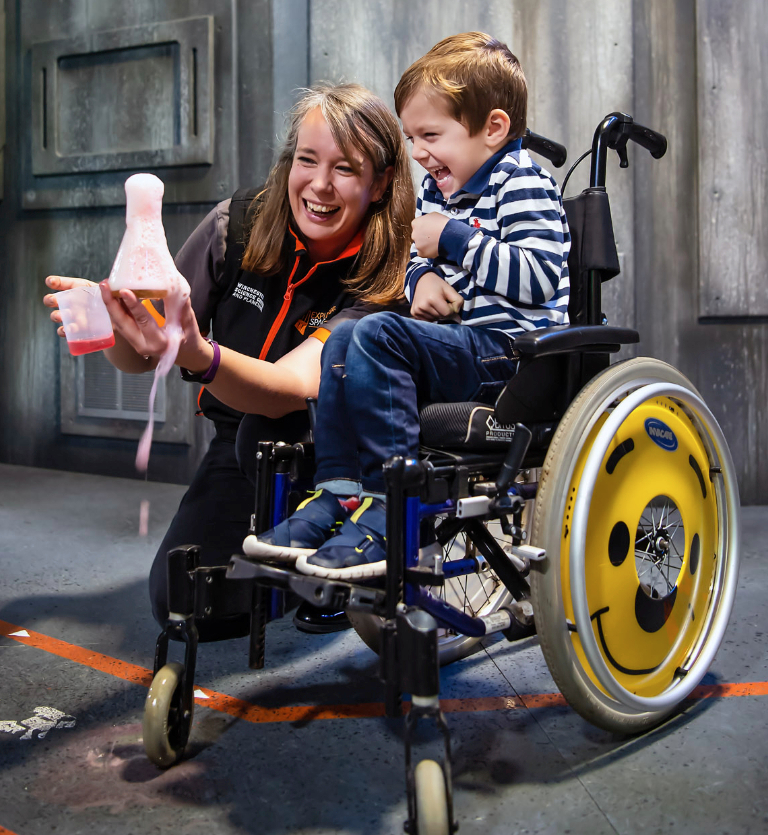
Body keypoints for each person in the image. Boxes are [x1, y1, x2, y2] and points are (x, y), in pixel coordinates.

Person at [44, 83, 415, 636]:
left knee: (285, 575)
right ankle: (304, 573)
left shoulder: (388, 275)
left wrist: (198, 355)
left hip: (335, 461)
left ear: (381, 182)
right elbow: (147, 356)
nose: (318, 184)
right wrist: (112, 322)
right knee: (182, 601)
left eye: (344, 169)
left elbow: (289, 388)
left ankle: (353, 561)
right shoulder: (233, 225)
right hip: (241, 448)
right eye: (307, 160)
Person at [245, 32, 571, 579]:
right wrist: (420, 279)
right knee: (345, 337)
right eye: (410, 136)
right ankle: (340, 492)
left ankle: (392, 507)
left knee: (374, 335)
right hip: (460, 346)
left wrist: (454, 240)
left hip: (510, 356)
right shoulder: (440, 193)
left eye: (430, 135)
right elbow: (416, 259)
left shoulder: (524, 184)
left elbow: (540, 277)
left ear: (492, 129)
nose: (418, 152)